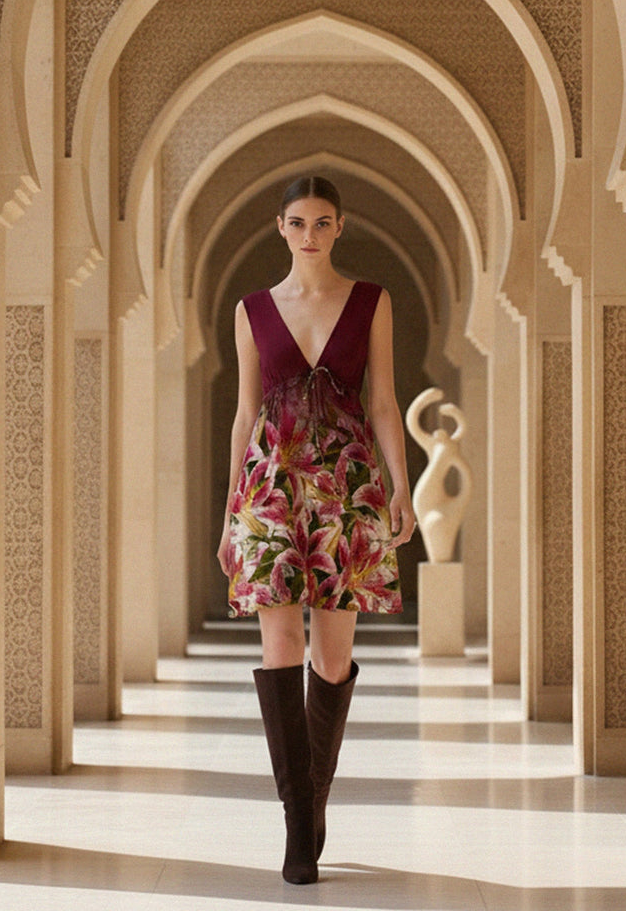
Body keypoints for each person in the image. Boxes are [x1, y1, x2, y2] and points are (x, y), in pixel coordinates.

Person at [217, 175, 415, 884]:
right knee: (279, 648)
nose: (309, 233)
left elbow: (384, 403)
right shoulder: (251, 310)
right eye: (297, 222)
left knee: (331, 661)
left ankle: (313, 797)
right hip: (269, 493)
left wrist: (401, 486)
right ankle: (299, 823)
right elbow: (244, 416)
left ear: (339, 228)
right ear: (281, 227)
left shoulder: (371, 301)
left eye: (322, 222)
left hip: (346, 491)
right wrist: (228, 513)